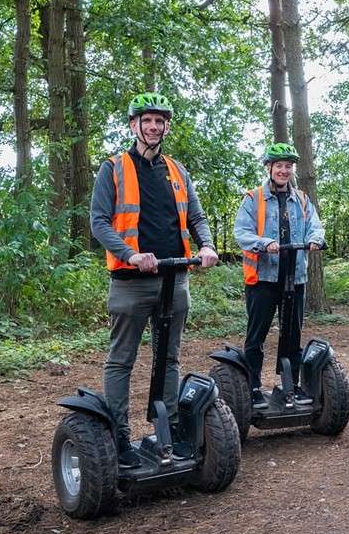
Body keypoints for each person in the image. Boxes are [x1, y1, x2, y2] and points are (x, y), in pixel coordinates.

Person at [89, 92, 219, 469]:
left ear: (166, 127)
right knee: (121, 360)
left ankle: (169, 429)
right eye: (146, 120)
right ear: (134, 125)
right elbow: (99, 222)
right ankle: (119, 437)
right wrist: (130, 254)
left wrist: (207, 245)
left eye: (159, 121)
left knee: (169, 356)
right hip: (131, 282)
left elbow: (197, 217)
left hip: (174, 278)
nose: (153, 126)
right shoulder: (113, 168)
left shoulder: (177, 171)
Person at [234, 142, 326, 409]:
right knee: (256, 335)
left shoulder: (302, 199)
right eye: (279, 166)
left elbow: (315, 226)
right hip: (263, 278)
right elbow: (242, 233)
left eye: (288, 166)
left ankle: (290, 384)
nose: (284, 170)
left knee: (292, 335)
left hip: (294, 277)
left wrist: (315, 239)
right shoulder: (253, 199)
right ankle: (253, 387)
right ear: (269, 168)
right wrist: (264, 243)